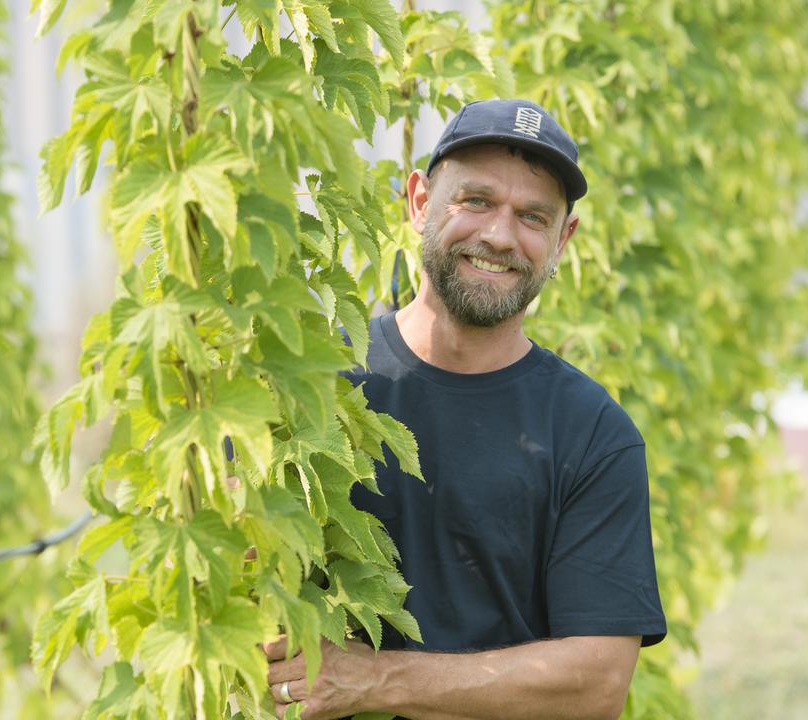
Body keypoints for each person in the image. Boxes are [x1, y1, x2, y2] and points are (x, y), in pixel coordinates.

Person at [263, 99, 667, 720]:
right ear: (420, 201)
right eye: (475, 200)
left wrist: (371, 680)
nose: (500, 235)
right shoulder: (310, 380)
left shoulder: (593, 434)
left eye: (533, 216)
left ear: (563, 240)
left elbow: (597, 682)